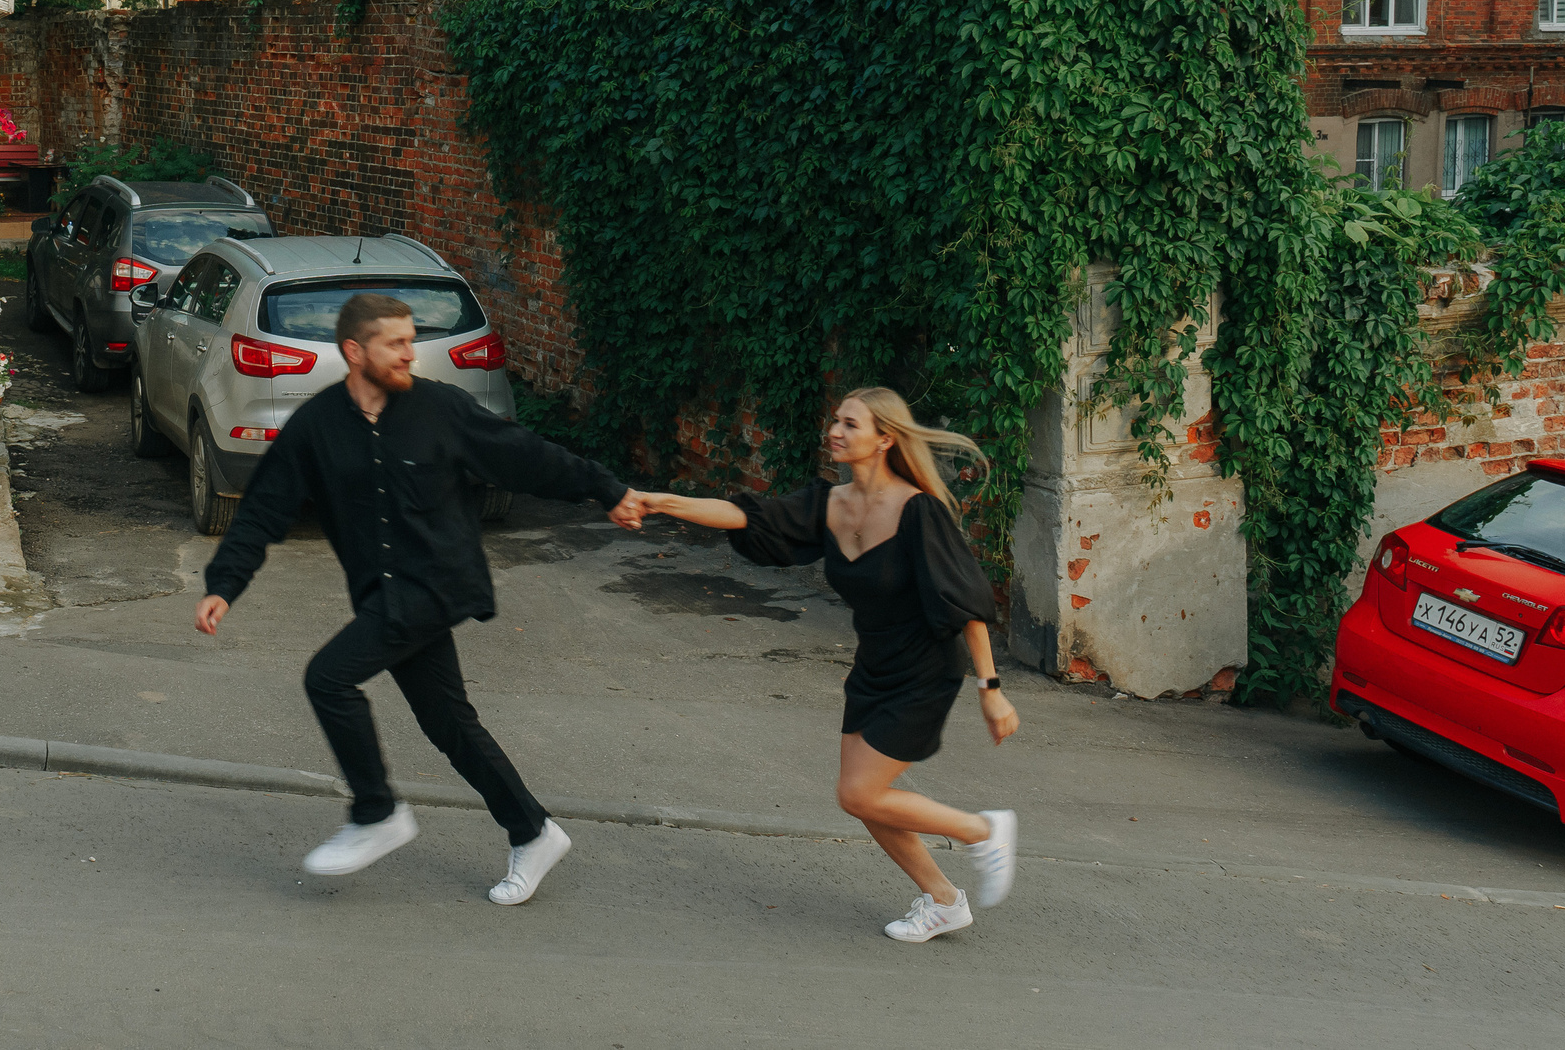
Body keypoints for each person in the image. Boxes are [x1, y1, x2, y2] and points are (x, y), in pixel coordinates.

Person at [196, 292, 643, 905]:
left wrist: (605, 488)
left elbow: (524, 456)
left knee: (328, 678)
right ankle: (533, 831)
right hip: (384, 594)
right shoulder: (317, 427)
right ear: (355, 352)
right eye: (396, 344)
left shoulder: (440, 409)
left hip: (437, 584)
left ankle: (376, 812)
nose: (411, 353)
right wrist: (225, 583)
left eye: (412, 340)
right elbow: (266, 509)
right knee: (448, 723)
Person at [618, 386, 1020, 943]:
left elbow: (967, 602)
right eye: (836, 420)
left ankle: (983, 830)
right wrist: (661, 501)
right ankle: (945, 900)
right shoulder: (828, 504)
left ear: (884, 438)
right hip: (874, 663)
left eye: (850, 424)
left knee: (859, 794)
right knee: (864, 799)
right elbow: (744, 515)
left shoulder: (918, 510)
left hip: (925, 669)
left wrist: (990, 687)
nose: (835, 430)